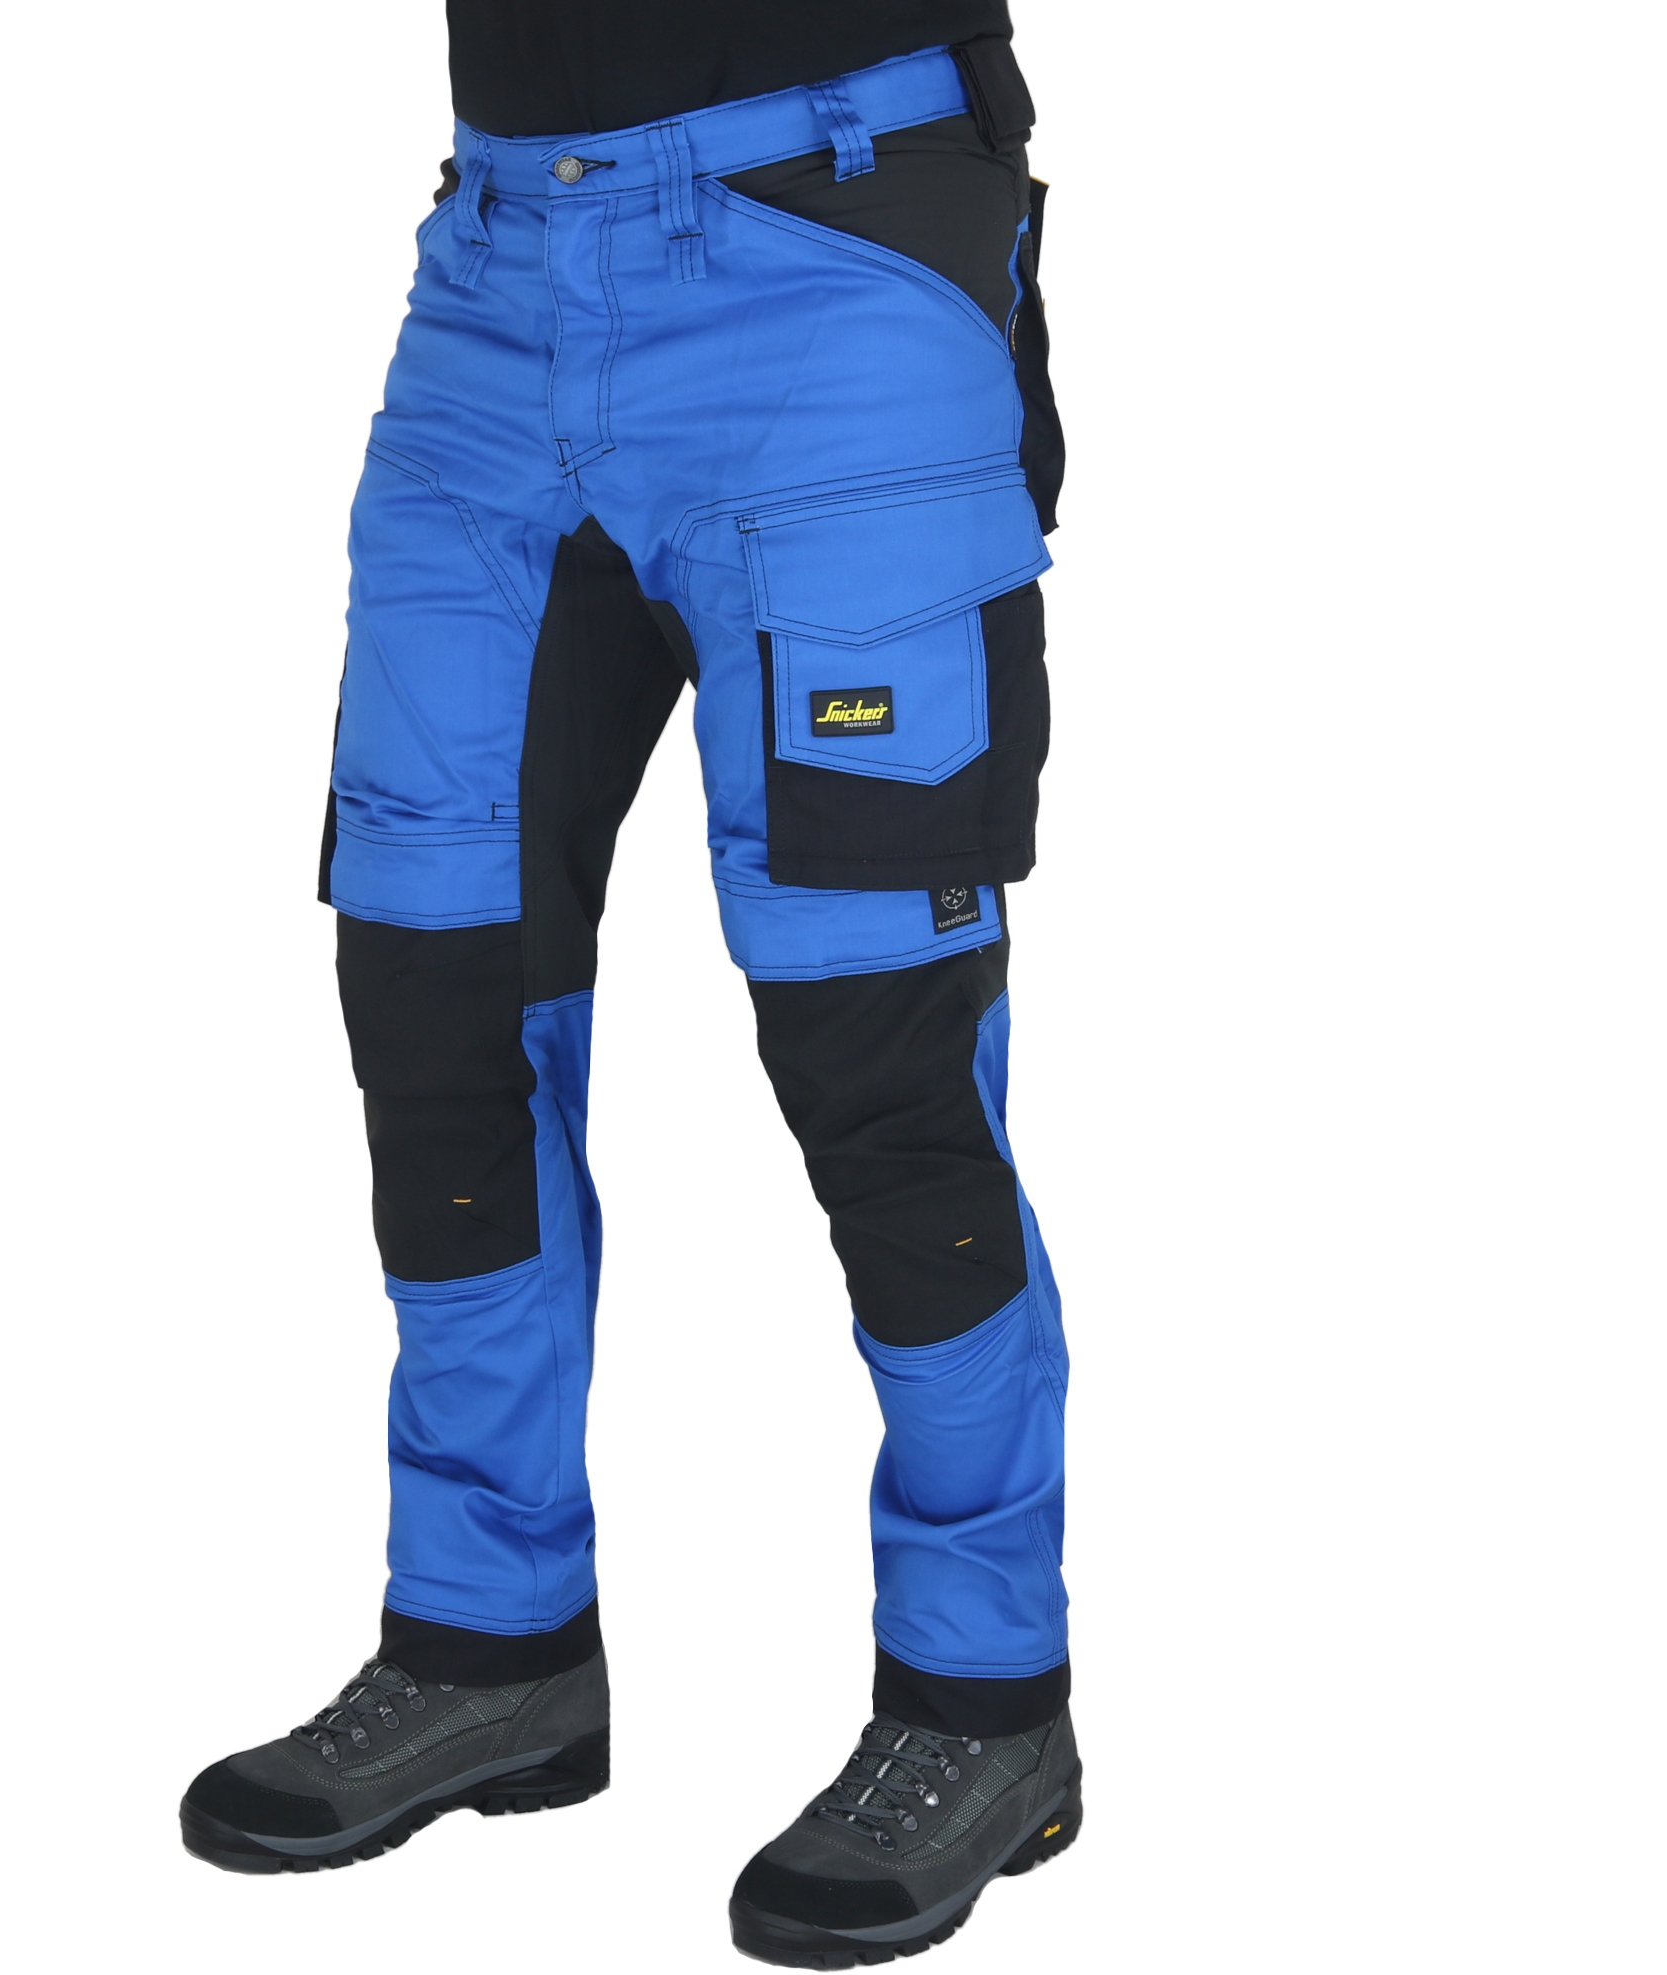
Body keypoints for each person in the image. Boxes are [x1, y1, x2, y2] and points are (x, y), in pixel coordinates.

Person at [181, 3, 1076, 1959]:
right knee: (435, 998)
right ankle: (487, 1642)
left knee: (876, 1055)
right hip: (496, 282)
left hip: (832, 256)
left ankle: (982, 1697)